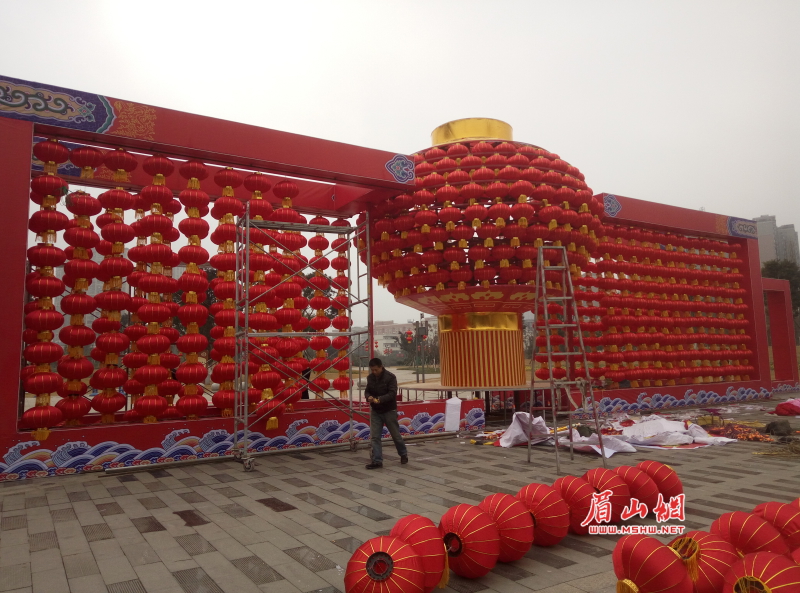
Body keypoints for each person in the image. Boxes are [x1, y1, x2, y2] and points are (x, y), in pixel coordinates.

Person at [364, 358, 407, 469]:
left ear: (381, 367)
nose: (374, 372)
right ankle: (377, 460)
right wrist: (368, 396)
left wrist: (380, 399)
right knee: (375, 437)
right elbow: (367, 390)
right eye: (372, 370)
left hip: (389, 411)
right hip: (376, 411)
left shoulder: (390, 377)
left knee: (396, 435)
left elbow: (392, 393)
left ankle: (403, 454)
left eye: (376, 370)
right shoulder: (370, 378)